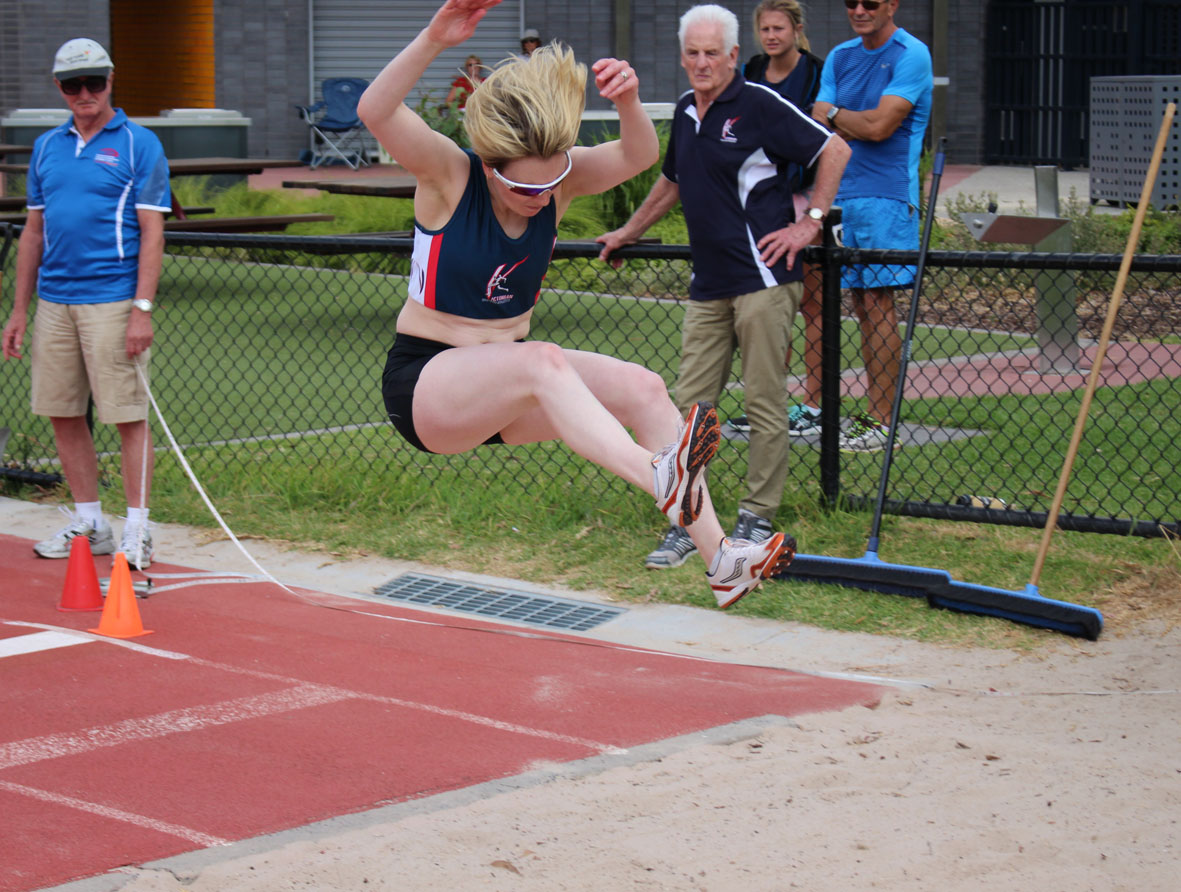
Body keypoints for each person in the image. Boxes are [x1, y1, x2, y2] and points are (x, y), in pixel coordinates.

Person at [357, 0, 795, 609]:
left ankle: (722, 561)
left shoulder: (559, 182)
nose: (539, 197)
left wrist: (626, 101)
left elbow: (640, 156)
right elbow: (374, 111)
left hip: (506, 391)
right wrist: (436, 36)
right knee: (543, 360)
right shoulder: (449, 177)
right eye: (522, 186)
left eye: (549, 182)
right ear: (489, 166)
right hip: (429, 386)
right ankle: (658, 477)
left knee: (644, 388)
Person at [596, 3, 849, 570]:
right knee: (688, 410)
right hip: (708, 285)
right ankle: (690, 519)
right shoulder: (687, 110)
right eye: (693, 52)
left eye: (714, 52)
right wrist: (629, 231)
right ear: (681, 57)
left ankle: (757, 515)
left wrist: (811, 223)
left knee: (763, 402)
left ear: (734, 56)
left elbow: (835, 149)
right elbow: (673, 181)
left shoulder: (759, 104)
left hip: (763, 281)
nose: (703, 62)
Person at [2, 37, 169, 571]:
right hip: (54, 302)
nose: (85, 93)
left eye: (94, 82)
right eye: (73, 85)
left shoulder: (140, 144)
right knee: (63, 411)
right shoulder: (47, 147)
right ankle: (91, 522)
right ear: (60, 89)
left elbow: (153, 232)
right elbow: (33, 233)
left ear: (110, 80)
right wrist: (19, 310)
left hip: (113, 301)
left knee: (126, 415)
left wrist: (141, 307)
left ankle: (138, 528)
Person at [812, 0, 931, 453]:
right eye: (850, 3)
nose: (859, 10)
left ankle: (883, 421)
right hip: (841, 195)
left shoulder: (911, 53)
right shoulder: (841, 56)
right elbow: (817, 123)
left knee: (878, 305)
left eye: (871, 2)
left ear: (892, 5)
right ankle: (870, 417)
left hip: (887, 197)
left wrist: (840, 115)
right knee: (859, 306)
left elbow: (881, 126)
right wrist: (842, 120)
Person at [729, 0, 826, 439]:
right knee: (765, 303)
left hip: (803, 195)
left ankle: (815, 402)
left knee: (814, 302)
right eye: (764, 29)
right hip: (761, 204)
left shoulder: (817, 72)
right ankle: (770, 402)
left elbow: (821, 136)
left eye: (779, 29)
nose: (771, 36)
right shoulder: (750, 70)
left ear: (796, 30)